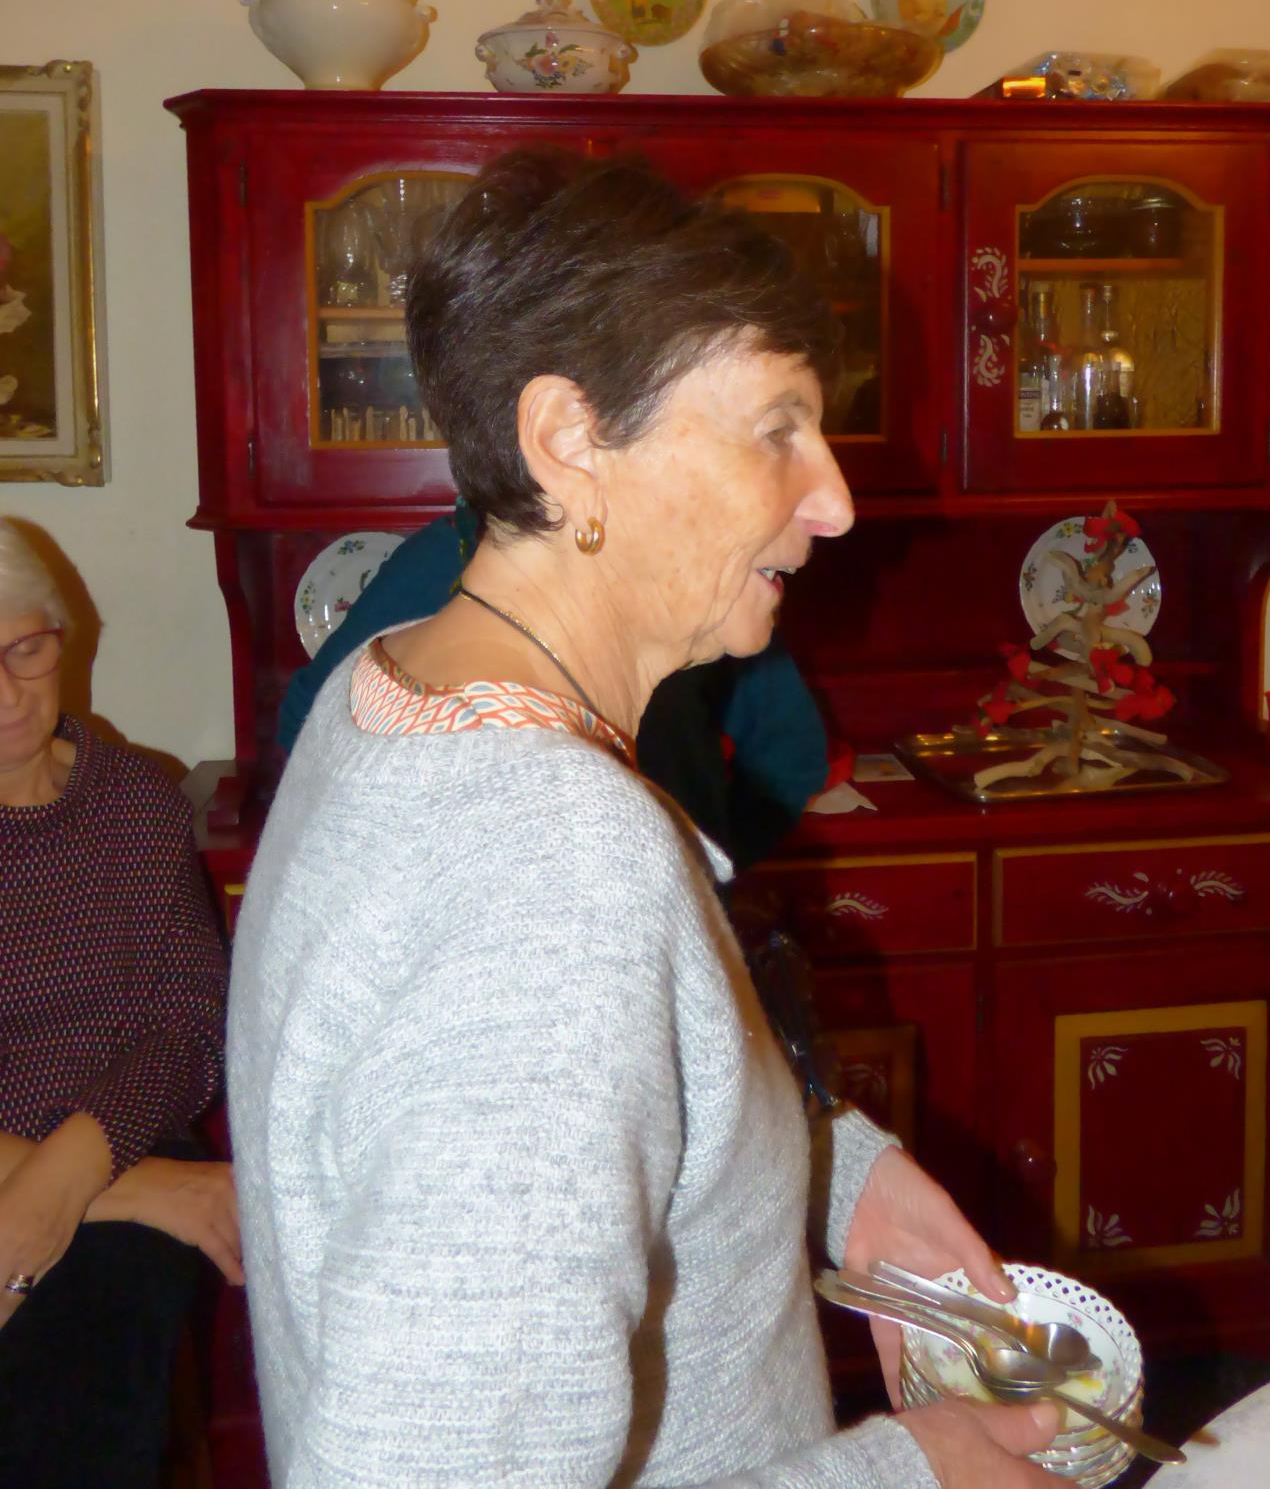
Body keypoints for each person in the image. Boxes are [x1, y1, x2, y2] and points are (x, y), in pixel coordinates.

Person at [228, 151, 1057, 1487]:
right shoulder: (549, 866)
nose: (836, 499)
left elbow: (580, 1100)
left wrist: (832, 1171)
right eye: (776, 426)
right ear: (570, 440)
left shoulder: (395, 688)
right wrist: (915, 1470)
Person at [0, 520, 240, 1489]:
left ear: (63, 638)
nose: (7, 692)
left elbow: (188, 1027)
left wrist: (73, 1172)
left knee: (79, 1359)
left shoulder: (136, 800)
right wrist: (138, 1190)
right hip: (121, 1171)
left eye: (24, 649)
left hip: (124, 1132)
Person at [279, 506, 829, 871]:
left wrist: (702, 864)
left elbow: (793, 757)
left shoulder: (439, 556)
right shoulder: (700, 579)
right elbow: (792, 758)